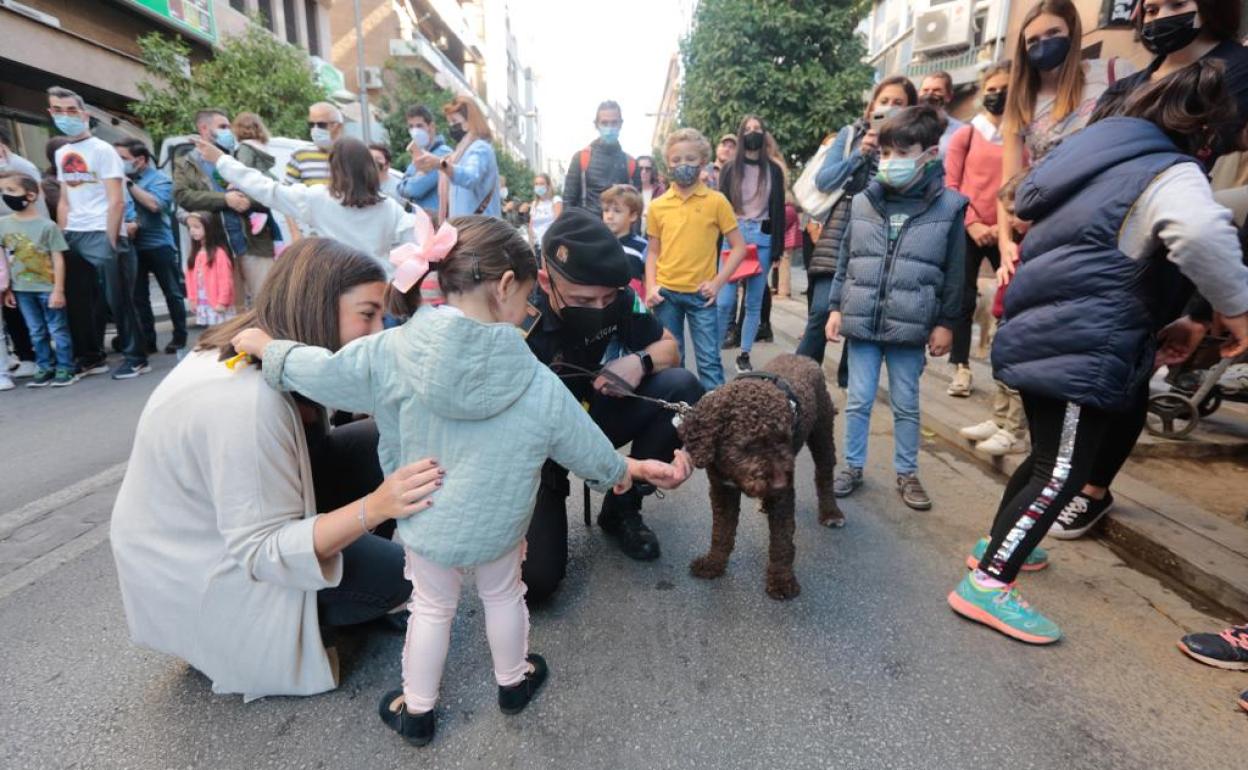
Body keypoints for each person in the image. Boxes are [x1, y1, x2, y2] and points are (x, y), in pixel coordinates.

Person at [230, 215, 687, 745]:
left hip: (426, 517)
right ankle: (512, 682)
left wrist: (268, 348)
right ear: (505, 286)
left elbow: (321, 371)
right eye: (522, 299)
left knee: (431, 608)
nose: (524, 313)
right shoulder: (535, 379)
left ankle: (418, 711)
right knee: (504, 596)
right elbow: (586, 447)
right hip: (499, 525)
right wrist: (627, 471)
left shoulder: (391, 351)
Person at [949, 62, 1248, 645]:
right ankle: (988, 583)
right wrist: (1236, 310)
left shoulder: (1093, 161)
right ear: (1207, 133)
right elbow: (1202, 233)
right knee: (1064, 472)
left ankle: (998, 544)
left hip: (1045, 331)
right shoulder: (1169, 170)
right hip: (1087, 343)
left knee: (1046, 462)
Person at [111, 238, 440, 701]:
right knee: (409, 576)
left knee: (378, 439)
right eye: (367, 315)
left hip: (217, 531)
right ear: (318, 308)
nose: (379, 331)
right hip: (211, 573)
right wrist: (377, 505)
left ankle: (350, 586)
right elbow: (261, 548)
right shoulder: (247, 402)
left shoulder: (263, 350)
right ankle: (331, 609)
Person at [523, 209, 700, 597]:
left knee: (679, 387)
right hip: (536, 444)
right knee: (536, 583)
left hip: (592, 411)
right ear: (544, 280)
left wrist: (640, 361)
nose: (600, 308)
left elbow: (670, 346)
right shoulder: (520, 317)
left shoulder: (619, 298)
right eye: (583, 299)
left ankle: (622, 509)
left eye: (608, 298)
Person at [824, 106, 967, 511]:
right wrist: (836, 307)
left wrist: (947, 324)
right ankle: (851, 466)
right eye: (885, 154)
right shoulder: (863, 202)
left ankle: (907, 472)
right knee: (858, 399)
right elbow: (845, 260)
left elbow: (956, 273)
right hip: (863, 320)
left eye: (903, 154)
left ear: (930, 154)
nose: (891, 163)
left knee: (906, 403)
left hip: (911, 325)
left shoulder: (950, 207)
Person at [997, 0, 1131, 272]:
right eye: (1033, 40)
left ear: (1072, 31)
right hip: (1048, 221)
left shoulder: (1113, 73)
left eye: (1053, 33)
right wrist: (1005, 243)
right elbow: (1008, 183)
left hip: (1109, 213)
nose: (1043, 44)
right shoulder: (1022, 100)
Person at [796, 75, 918, 373]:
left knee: (862, 319)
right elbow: (825, 181)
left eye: (899, 103)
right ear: (872, 105)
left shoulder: (914, 146)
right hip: (840, 234)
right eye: (884, 101)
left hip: (881, 237)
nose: (890, 107)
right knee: (821, 310)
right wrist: (860, 153)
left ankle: (850, 388)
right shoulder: (852, 134)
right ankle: (797, 378)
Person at [194, 135, 419, 269]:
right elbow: (413, 246)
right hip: (379, 291)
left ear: (334, 168)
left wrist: (221, 160)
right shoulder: (389, 207)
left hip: (335, 288)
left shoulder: (317, 199)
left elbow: (266, 189)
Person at [47, 86, 148, 380]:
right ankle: (91, 356)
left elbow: (116, 199)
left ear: (84, 114)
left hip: (103, 232)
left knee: (119, 301)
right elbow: (65, 198)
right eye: (58, 110)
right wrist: (63, 235)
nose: (65, 116)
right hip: (74, 234)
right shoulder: (64, 153)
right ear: (50, 112)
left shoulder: (103, 150)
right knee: (80, 303)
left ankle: (136, 357)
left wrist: (111, 238)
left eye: (71, 111)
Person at [645, 128, 748, 389]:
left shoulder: (717, 201)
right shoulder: (658, 205)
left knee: (710, 363)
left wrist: (718, 283)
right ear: (667, 162)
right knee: (671, 361)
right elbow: (653, 251)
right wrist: (650, 286)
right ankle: (678, 415)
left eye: (690, 159)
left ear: (703, 161)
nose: (683, 165)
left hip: (702, 296)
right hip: (666, 295)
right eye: (676, 159)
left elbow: (739, 247)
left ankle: (715, 422)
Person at [1095, 0, 1246, 162]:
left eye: (1178, 4)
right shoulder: (1120, 89)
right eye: (1152, 10)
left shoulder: (1241, 69)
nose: (1161, 17)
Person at [944, 62, 1010, 399]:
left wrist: (1002, 227)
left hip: (1008, 228)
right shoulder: (966, 134)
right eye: (992, 89)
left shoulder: (1021, 133)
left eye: (1005, 89)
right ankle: (961, 368)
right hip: (968, 226)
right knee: (962, 298)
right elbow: (952, 183)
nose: (998, 95)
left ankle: (1008, 376)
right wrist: (972, 222)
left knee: (1012, 298)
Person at [175, 108, 276, 308]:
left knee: (268, 306)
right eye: (222, 127)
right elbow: (182, 197)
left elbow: (270, 189)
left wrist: (247, 200)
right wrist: (225, 200)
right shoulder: (187, 163)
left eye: (229, 127)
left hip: (253, 243)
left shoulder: (241, 155)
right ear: (203, 128)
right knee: (232, 315)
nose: (229, 131)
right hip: (218, 248)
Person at [959, 172, 1030, 457]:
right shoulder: (1019, 241)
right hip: (1007, 316)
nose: (1009, 221)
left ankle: (1014, 432)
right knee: (1002, 375)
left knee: (1017, 383)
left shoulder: (1041, 241)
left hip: (1023, 319)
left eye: (1014, 213)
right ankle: (999, 421)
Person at [716, 115, 787, 373]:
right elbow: (718, 209)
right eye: (747, 129)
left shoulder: (774, 170)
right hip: (732, 236)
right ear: (740, 134)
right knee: (723, 301)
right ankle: (712, 351)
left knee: (753, 301)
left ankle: (744, 353)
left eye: (757, 128)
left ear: (764, 133)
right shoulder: (729, 169)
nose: (753, 132)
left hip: (763, 238)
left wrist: (778, 248)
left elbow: (778, 209)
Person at [0, 171, 75, 387]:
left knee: (57, 328)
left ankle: (65, 367)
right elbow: (4, 259)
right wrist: (8, 289)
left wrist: (58, 289)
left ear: (31, 195)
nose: (6, 195)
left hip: (47, 287)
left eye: (12, 190)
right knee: (36, 330)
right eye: (3, 191)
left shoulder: (47, 226)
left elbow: (58, 258)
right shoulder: (4, 224)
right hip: (22, 289)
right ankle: (44, 365)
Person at [114, 139, 186, 356]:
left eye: (123, 158)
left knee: (172, 293)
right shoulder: (113, 181)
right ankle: (147, 340)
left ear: (140, 160)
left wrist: (128, 184)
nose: (118, 163)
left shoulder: (160, 179)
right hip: (132, 246)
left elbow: (156, 205)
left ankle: (179, 337)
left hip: (158, 245)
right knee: (139, 297)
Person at [408, 96, 501, 220]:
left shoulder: (480, 148)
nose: (451, 126)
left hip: (480, 231)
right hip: (466, 228)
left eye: (455, 122)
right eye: (449, 122)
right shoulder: (460, 153)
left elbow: (470, 177)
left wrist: (441, 164)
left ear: (470, 121)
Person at [562, 100, 642, 217]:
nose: (609, 128)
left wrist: (632, 235)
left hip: (618, 233)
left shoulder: (631, 163)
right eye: (604, 123)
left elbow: (636, 207)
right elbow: (568, 203)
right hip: (588, 231)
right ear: (596, 125)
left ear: (621, 124)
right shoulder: (581, 158)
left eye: (614, 123)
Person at [398, 105, 454, 215]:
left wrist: (409, 181)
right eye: (411, 126)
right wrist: (414, 178)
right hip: (421, 222)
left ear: (431, 126)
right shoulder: (418, 154)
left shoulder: (443, 154)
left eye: (419, 126)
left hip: (437, 222)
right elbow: (400, 188)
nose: (415, 131)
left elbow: (414, 189)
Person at [183, 211, 235, 328]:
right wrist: (192, 299)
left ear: (209, 228)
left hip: (217, 301)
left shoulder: (219, 254)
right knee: (211, 331)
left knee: (222, 331)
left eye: (197, 227)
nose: (192, 230)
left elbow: (225, 280)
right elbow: (190, 280)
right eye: (190, 227)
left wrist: (222, 301)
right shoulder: (195, 254)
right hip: (204, 300)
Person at [600, 183, 647, 293]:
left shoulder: (642, 247)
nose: (609, 216)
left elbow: (647, 281)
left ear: (633, 216)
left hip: (633, 307)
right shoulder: (598, 244)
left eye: (617, 211)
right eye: (606, 210)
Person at [286, 101, 342, 188]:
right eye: (311, 124)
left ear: (337, 127)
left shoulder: (352, 154)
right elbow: (288, 191)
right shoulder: (300, 154)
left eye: (321, 125)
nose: (315, 129)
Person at [918, 71, 967, 156]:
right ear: (919, 93)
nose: (930, 94)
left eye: (937, 90)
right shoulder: (908, 126)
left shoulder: (961, 130)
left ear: (949, 96)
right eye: (925, 90)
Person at [231, 112, 276, 177]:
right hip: (268, 179)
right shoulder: (260, 145)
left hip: (255, 182)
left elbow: (243, 170)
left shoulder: (246, 147)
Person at [527, 173, 561, 258]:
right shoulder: (535, 204)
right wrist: (531, 248)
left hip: (550, 246)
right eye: (536, 184)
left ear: (548, 185)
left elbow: (558, 224)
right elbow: (531, 227)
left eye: (542, 184)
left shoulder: (555, 201)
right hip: (537, 245)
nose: (539, 186)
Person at [636, 155, 664, 233]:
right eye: (640, 168)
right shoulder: (631, 191)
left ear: (652, 171)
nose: (643, 172)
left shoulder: (661, 191)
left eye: (647, 169)